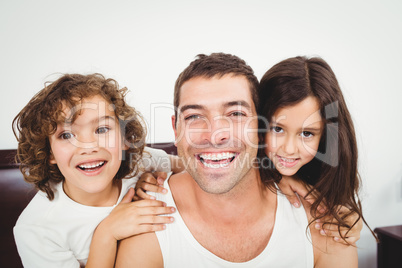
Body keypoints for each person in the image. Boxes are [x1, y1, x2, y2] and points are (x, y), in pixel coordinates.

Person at [115, 53, 359, 267]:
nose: (214, 135)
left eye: (235, 114)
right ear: (175, 129)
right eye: (194, 116)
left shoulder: (324, 224)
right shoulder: (144, 218)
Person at [12, 73, 179, 268]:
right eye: (66, 135)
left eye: (101, 130)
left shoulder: (139, 162)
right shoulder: (37, 229)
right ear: (49, 153)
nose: (88, 146)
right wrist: (106, 233)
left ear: (125, 139)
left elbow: (192, 168)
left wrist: (160, 177)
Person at [257, 56, 375, 244]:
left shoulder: (324, 189)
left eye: (306, 133)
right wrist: (274, 176)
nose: (289, 149)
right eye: (277, 129)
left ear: (326, 137)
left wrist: (350, 220)